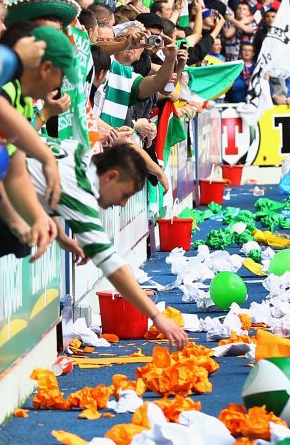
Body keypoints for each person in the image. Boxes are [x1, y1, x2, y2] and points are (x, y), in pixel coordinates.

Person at [28, 140, 188, 348]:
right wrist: (157, 317)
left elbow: (44, 185)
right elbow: (113, 267)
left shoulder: (78, 150)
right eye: (125, 195)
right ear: (111, 176)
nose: (122, 203)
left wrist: (61, 236)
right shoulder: (83, 194)